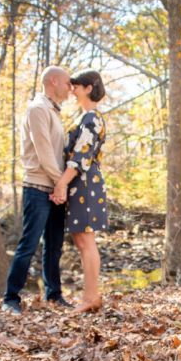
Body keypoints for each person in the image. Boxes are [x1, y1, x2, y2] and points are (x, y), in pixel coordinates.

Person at [2, 66, 72, 314]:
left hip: (55, 188)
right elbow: (43, 152)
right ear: (53, 81)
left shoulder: (53, 111)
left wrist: (61, 185)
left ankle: (53, 295)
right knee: (29, 245)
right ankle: (10, 299)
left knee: (54, 246)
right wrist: (61, 183)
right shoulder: (38, 109)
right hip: (38, 187)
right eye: (67, 83)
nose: (70, 88)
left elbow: (58, 153)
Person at [51, 69, 108, 314]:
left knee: (86, 240)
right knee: (81, 240)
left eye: (76, 86)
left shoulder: (92, 118)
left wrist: (62, 183)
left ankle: (91, 297)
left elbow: (81, 157)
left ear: (88, 88)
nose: (72, 90)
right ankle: (90, 296)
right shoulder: (85, 117)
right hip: (80, 183)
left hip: (85, 183)